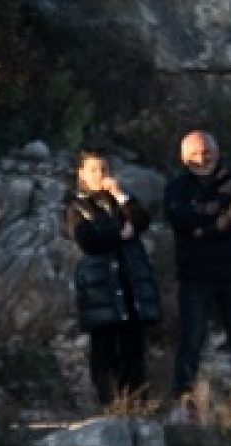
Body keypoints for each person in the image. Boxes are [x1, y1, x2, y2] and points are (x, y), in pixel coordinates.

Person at [164, 130, 231, 412]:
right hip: (195, 276)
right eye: (195, 153)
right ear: (184, 157)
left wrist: (203, 227)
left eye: (207, 152)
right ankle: (184, 398)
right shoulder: (176, 188)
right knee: (191, 339)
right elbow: (180, 218)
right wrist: (217, 214)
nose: (202, 158)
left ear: (217, 152)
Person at [64, 150, 161, 407]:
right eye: (94, 170)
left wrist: (120, 195)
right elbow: (88, 240)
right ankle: (109, 405)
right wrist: (120, 234)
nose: (100, 175)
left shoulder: (119, 203)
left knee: (133, 350)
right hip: (100, 290)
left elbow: (141, 220)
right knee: (104, 351)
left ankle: (137, 404)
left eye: (104, 169)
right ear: (82, 174)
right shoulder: (77, 207)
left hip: (128, 286)